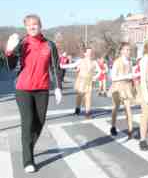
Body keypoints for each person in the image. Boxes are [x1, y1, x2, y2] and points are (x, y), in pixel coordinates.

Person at [5, 14, 62, 173]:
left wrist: (58, 88)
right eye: (29, 25)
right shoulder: (22, 44)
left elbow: (55, 67)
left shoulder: (49, 45)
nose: (32, 27)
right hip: (23, 88)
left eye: (35, 24)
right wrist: (9, 51)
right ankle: (28, 160)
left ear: (40, 26)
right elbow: (10, 66)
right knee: (28, 122)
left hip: (42, 89)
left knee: (40, 121)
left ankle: (28, 144)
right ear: (25, 27)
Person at [61, 47, 99, 119]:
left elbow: (99, 71)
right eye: (88, 52)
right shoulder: (80, 61)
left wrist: (95, 77)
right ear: (84, 53)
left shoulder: (94, 62)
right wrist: (61, 66)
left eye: (90, 52)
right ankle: (77, 108)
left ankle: (87, 113)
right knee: (79, 96)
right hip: (81, 81)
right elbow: (72, 65)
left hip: (89, 82)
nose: (89, 53)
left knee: (88, 97)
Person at [109, 42, 137, 139]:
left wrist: (134, 78)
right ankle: (113, 126)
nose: (128, 51)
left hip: (128, 87)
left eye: (129, 50)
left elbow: (132, 74)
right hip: (118, 87)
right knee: (116, 107)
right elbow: (112, 77)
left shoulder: (130, 62)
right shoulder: (117, 62)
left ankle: (130, 130)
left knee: (128, 109)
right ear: (121, 51)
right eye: (126, 49)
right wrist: (126, 76)